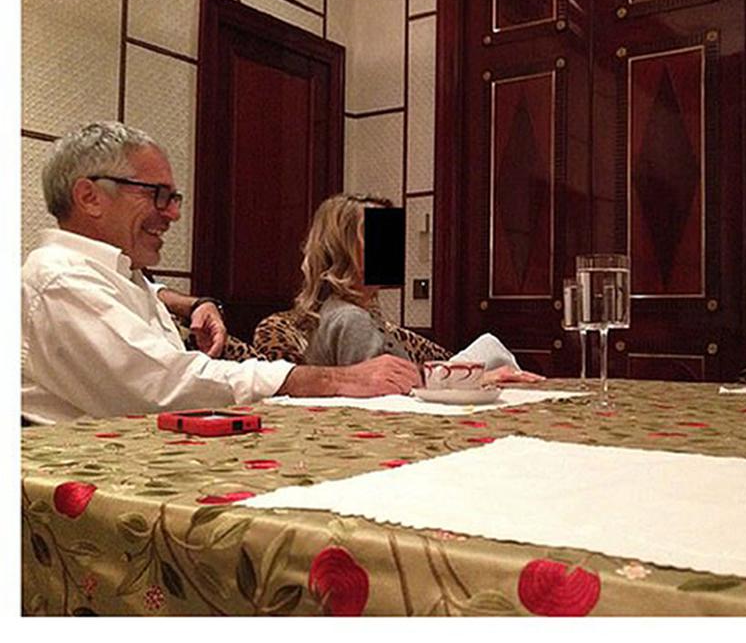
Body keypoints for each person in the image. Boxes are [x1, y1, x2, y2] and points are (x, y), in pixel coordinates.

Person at [21, 122, 420, 424]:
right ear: (89, 197)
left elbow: (133, 297)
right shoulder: (59, 280)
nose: (173, 213)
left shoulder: (118, 274)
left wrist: (194, 302)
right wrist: (329, 380)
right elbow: (162, 386)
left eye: (174, 198)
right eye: (158, 195)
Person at [292, 193, 544, 385]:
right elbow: (386, 393)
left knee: (489, 349)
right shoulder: (350, 319)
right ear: (342, 250)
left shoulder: (342, 311)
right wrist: (481, 379)